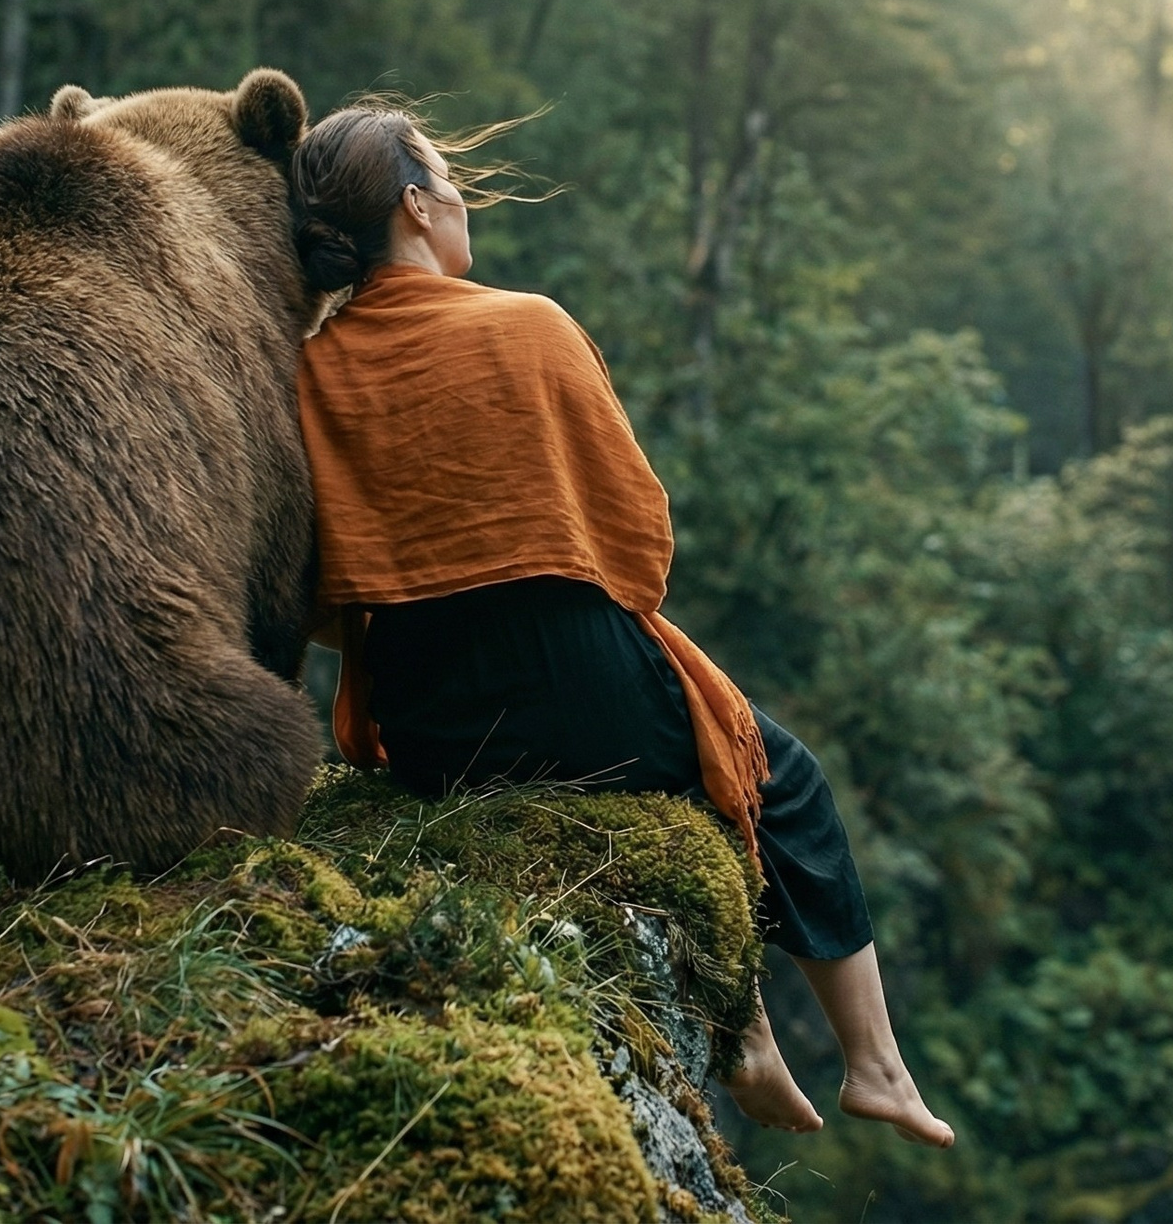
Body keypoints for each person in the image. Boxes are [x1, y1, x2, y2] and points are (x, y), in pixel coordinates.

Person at [291, 95, 953, 1150]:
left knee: (688, 785)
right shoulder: (529, 326)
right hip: (577, 689)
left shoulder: (306, 373)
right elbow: (635, 542)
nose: (465, 199)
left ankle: (747, 1037)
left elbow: (319, 594)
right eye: (449, 181)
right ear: (416, 207)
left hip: (425, 720)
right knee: (775, 779)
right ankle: (874, 1066)